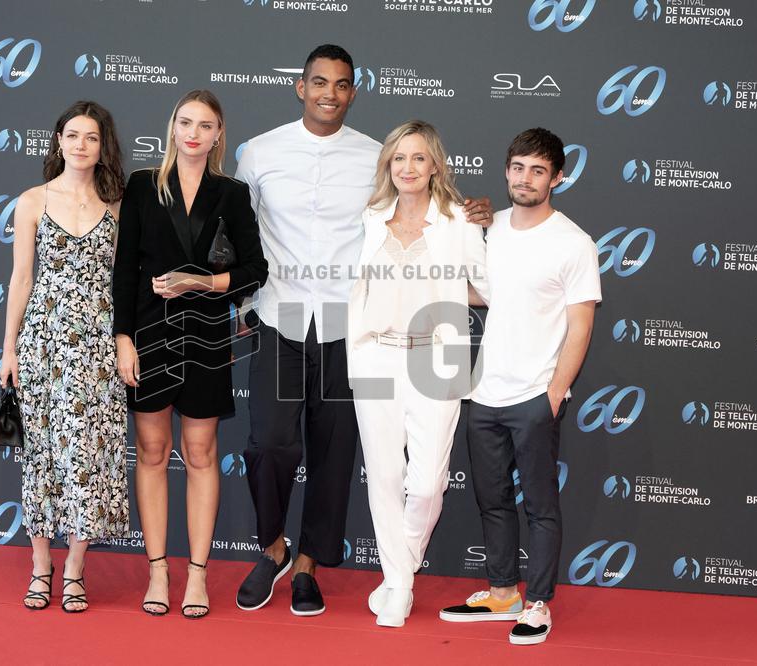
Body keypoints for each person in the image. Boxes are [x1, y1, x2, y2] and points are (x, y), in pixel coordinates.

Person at [234, 44, 493, 617]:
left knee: (335, 451)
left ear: (355, 92)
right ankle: (272, 547)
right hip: (281, 314)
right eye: (319, 82)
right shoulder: (258, 153)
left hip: (348, 327)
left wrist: (472, 214)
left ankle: (307, 566)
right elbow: (238, 227)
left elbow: (428, 215)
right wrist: (239, 296)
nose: (330, 93)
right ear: (300, 87)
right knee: (270, 443)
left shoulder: (379, 159)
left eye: (342, 84)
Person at [439, 128, 601, 645]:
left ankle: (538, 604)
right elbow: (484, 295)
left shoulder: (574, 244)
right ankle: (503, 591)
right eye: (517, 167)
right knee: (492, 500)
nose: (525, 179)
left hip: (534, 395)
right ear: (506, 169)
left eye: (537, 170)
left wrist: (553, 394)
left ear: (558, 177)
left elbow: (581, 325)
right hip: (484, 392)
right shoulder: (493, 227)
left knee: (540, 506)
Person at [112, 89, 268, 619]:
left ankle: (197, 575)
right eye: (185, 122)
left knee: (201, 455)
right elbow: (125, 268)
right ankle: (159, 570)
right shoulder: (140, 186)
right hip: (149, 336)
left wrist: (198, 283)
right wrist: (122, 338)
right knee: (152, 453)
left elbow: (254, 271)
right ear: (172, 127)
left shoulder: (232, 192)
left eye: (205, 124)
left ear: (219, 133)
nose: (194, 133)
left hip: (205, 337)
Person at [347, 120, 488, 627]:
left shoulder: (459, 220)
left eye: (418, 158)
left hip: (436, 356)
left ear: (434, 166)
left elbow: (487, 287)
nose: (407, 167)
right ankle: (402, 589)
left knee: (427, 483)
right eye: (399, 157)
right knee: (384, 476)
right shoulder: (371, 215)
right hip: (375, 357)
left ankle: (395, 577)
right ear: (388, 163)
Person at [0, 100, 129, 613]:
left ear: (103, 147)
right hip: (42, 347)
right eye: (72, 135)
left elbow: (123, 281)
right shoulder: (31, 201)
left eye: (91, 137)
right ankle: (40, 565)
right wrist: (8, 348)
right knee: (42, 456)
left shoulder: (118, 204)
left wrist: (123, 340)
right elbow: (21, 279)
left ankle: (75, 568)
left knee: (88, 457)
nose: (80, 145)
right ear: (58, 141)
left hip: (97, 349)